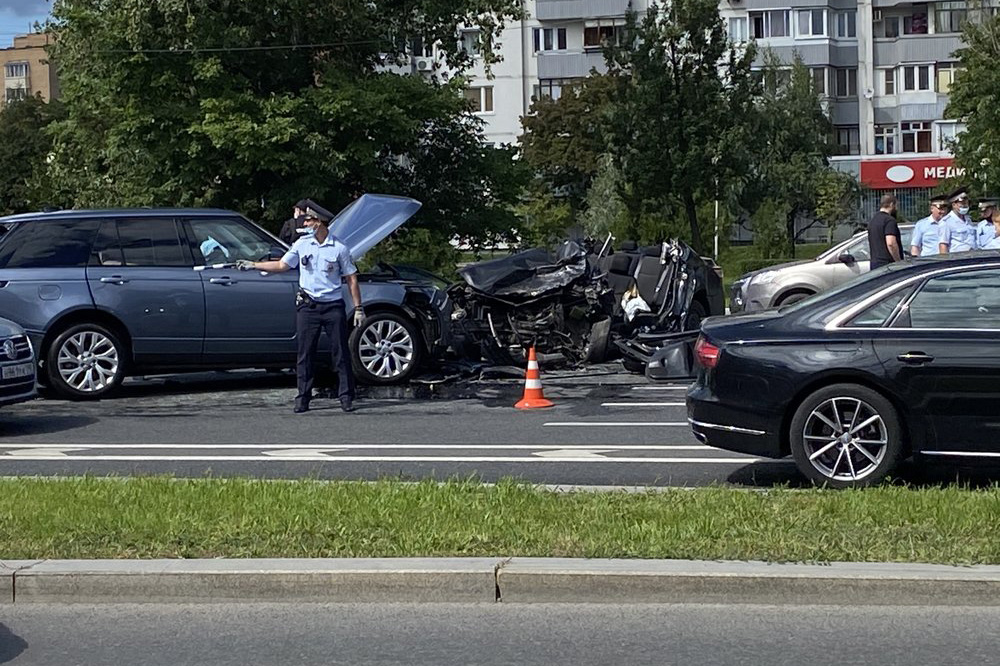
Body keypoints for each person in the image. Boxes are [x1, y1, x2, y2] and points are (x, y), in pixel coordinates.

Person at [238, 205, 364, 414]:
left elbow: (351, 278)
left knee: (340, 352)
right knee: (305, 353)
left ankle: (346, 396)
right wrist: (254, 265)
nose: (305, 224)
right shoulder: (302, 244)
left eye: (309, 221)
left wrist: (358, 308)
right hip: (308, 306)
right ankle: (303, 397)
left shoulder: (339, 248)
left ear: (320, 222)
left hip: (333, 306)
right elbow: (281, 265)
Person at [867, 194, 902, 270]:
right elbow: (891, 243)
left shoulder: (873, 220)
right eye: (896, 206)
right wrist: (899, 261)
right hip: (888, 265)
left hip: (875, 264)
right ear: (892, 204)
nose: (897, 209)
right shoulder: (889, 220)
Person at [939, 188, 978, 254]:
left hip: (973, 257)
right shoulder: (946, 222)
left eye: (966, 203)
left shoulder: (968, 220)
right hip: (957, 260)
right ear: (954, 205)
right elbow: (943, 245)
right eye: (962, 204)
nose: (965, 206)